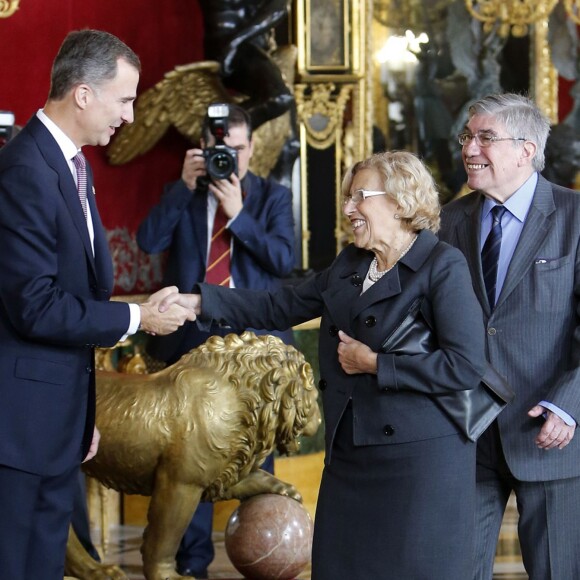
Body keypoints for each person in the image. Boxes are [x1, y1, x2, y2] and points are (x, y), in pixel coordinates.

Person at [158, 150, 489, 579]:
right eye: (347, 198)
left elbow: (464, 366)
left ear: (400, 202)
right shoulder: (351, 262)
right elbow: (282, 303)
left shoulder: (442, 265)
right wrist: (199, 301)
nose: (348, 209)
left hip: (418, 464)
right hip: (350, 452)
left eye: (359, 197)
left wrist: (376, 364)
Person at [0, 29, 193, 580]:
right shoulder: (26, 170)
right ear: (84, 94)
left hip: (53, 426)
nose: (132, 117)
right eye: (126, 99)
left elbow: (77, 295)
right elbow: (34, 305)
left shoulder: (68, 165)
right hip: (16, 431)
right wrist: (138, 317)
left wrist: (80, 415)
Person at [137, 102, 295, 577]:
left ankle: (269, 558)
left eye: (239, 148)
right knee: (189, 461)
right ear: (203, 147)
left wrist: (239, 215)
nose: (230, 156)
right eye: (220, 147)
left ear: (252, 148)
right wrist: (185, 189)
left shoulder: (271, 197)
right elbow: (147, 240)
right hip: (191, 344)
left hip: (255, 353)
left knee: (256, 460)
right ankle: (191, 566)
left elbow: (284, 260)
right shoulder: (181, 193)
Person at [439, 93, 580, 580]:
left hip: (550, 434)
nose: (469, 147)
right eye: (467, 136)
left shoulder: (575, 216)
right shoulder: (449, 220)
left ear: (526, 149)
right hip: (467, 432)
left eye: (485, 137)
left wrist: (569, 405)